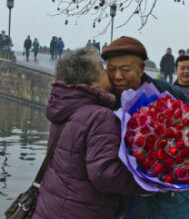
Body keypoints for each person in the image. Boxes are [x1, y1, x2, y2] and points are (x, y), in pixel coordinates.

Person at [32, 47, 149, 218]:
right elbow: (105, 175)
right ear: (94, 83)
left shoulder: (64, 109)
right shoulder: (100, 116)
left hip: (49, 208)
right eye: (103, 69)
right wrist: (149, 182)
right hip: (81, 211)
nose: (110, 75)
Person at [101, 36, 189, 219]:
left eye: (125, 69)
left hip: (174, 204)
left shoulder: (168, 95)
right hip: (127, 203)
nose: (117, 76)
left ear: (141, 69)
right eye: (111, 69)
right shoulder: (106, 102)